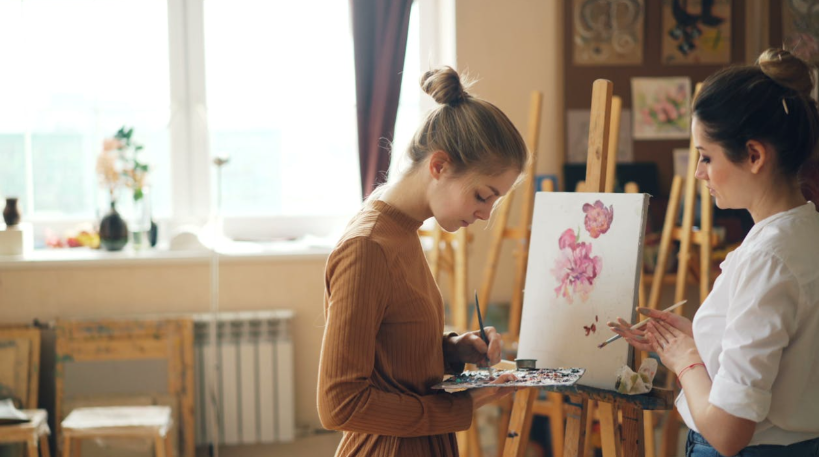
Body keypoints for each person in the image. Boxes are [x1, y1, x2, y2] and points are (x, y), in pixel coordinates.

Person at [609, 48, 819, 456]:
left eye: (706, 157)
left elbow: (728, 431)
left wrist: (685, 359)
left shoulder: (768, 259)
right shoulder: (804, 232)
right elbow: (784, 356)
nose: (699, 172)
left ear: (755, 156)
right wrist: (695, 336)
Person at [317, 67, 527, 457]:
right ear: (439, 166)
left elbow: (390, 351)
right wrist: (458, 406)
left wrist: (454, 349)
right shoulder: (368, 247)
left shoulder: (403, 232)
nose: (485, 215)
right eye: (483, 196)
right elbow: (339, 404)